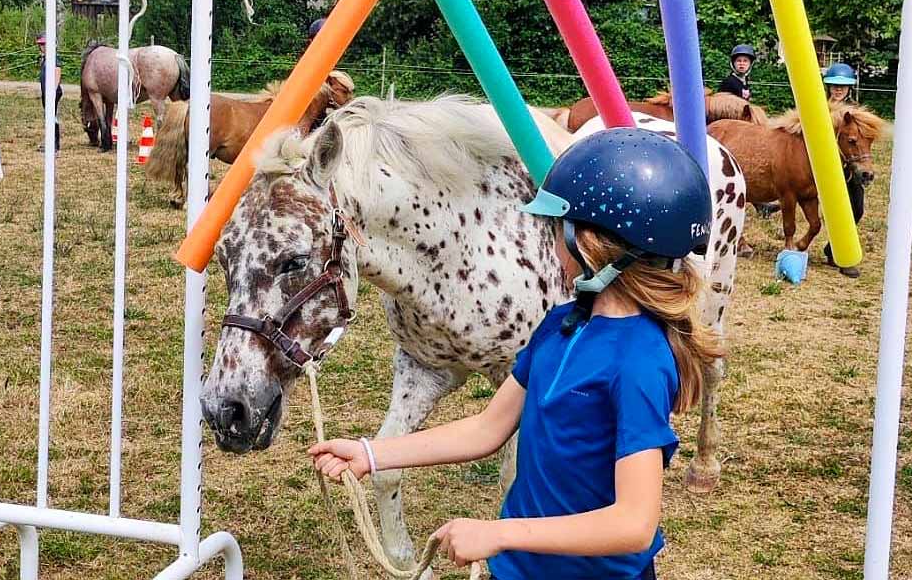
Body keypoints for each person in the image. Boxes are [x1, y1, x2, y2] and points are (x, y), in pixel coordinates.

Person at [310, 128, 724, 580]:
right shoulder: (563, 323)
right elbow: (487, 428)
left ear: (594, 243)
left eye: (556, 229)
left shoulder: (638, 361)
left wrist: (501, 534)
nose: (548, 241)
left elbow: (634, 524)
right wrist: (372, 454)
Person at [821, 62, 863, 278]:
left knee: (857, 209)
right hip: (826, 167)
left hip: (849, 168)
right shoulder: (820, 106)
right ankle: (840, 256)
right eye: (835, 85)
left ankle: (832, 248)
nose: (838, 89)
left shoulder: (855, 110)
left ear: (849, 88)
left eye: (842, 86)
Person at [36, 33, 63, 152]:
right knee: (50, 117)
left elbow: (57, 72)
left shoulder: (53, 58)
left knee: (52, 117)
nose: (42, 47)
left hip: (52, 93)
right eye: (41, 44)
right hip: (46, 92)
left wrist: (52, 91)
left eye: (44, 44)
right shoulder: (46, 58)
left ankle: (54, 145)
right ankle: (50, 142)